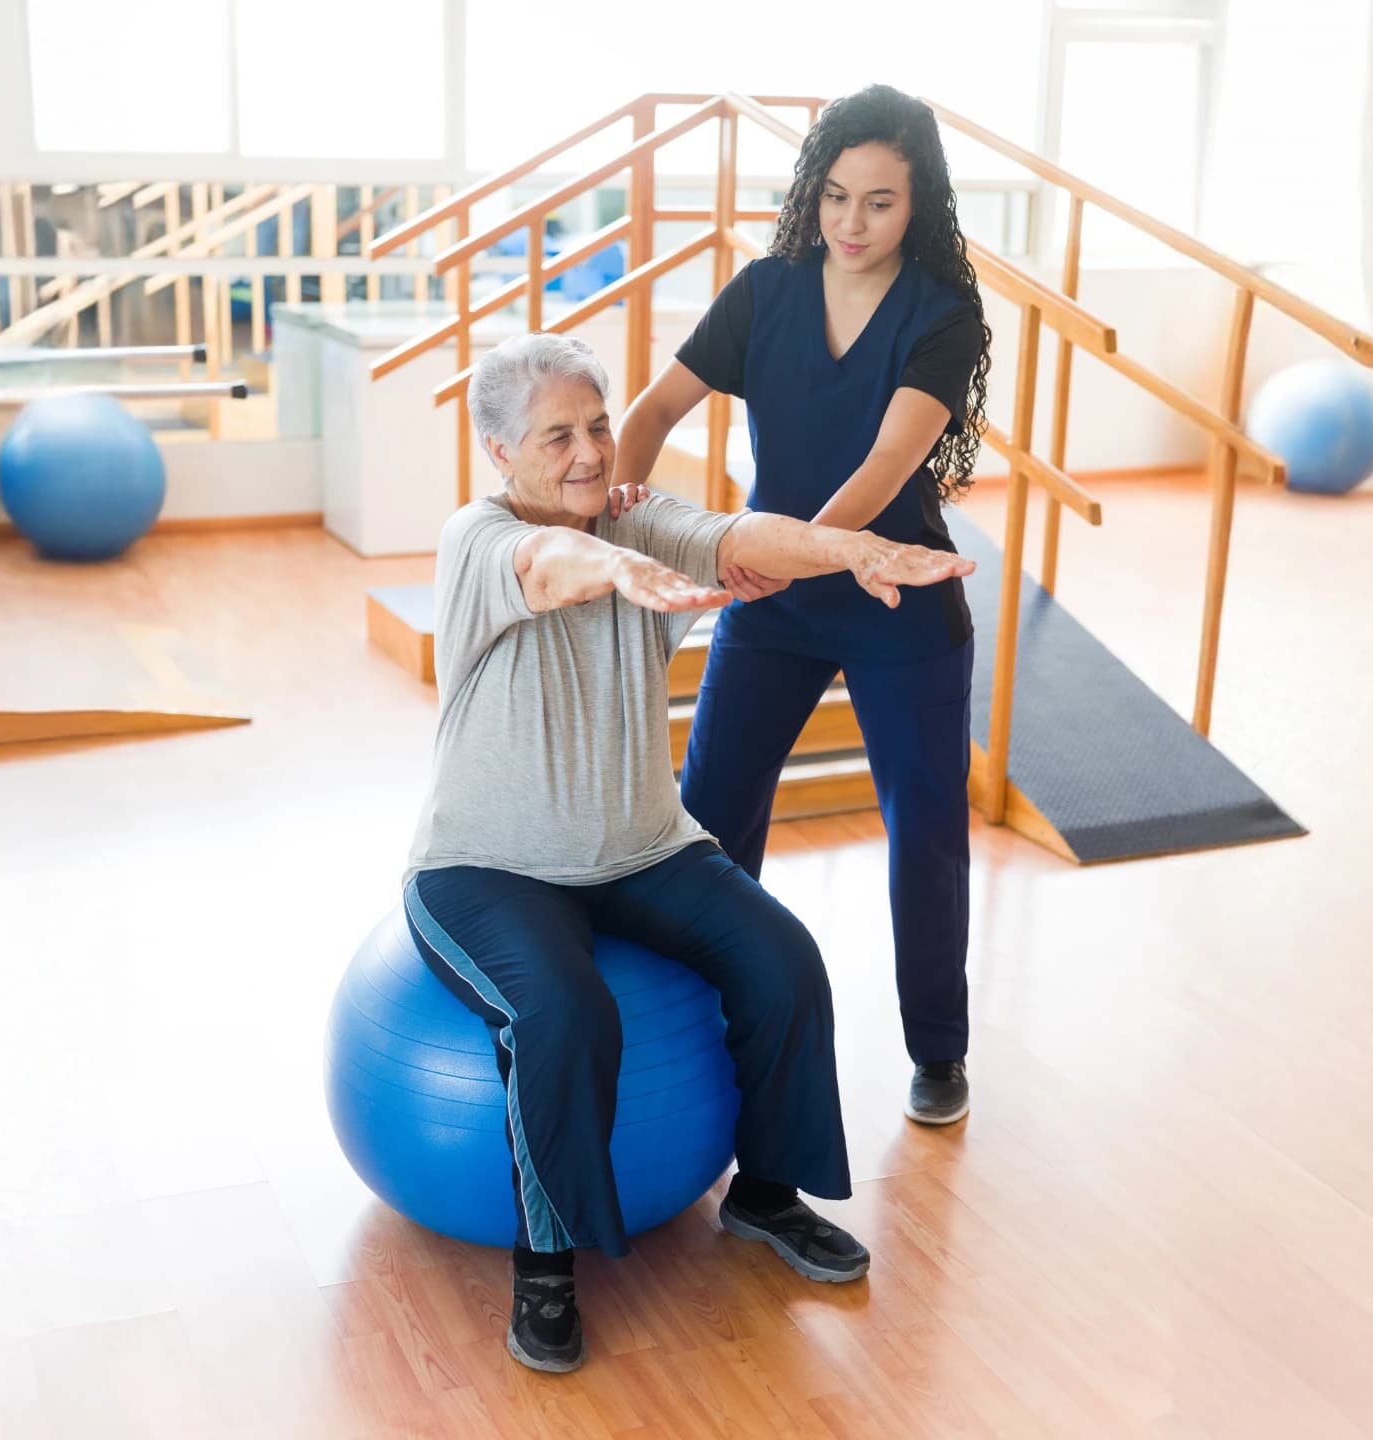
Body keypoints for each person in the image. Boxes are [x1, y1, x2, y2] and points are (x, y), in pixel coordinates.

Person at [403, 331, 975, 1373]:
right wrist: (619, 566)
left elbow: (742, 535)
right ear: (499, 452)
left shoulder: (635, 515)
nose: (589, 452)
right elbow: (550, 565)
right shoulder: (477, 539)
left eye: (597, 425)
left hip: (642, 849)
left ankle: (764, 1195)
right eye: (557, 437)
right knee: (562, 1013)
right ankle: (546, 1265)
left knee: (783, 962)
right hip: (487, 869)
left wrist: (849, 550)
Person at [611, 84, 993, 1127]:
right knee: (710, 811)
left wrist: (785, 555)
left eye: (878, 201)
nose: (850, 222)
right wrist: (614, 525)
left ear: (917, 204)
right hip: (773, 596)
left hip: (894, 596)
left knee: (924, 832)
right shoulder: (766, 290)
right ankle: (701, 1014)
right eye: (834, 195)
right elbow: (653, 409)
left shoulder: (943, 316)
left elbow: (884, 466)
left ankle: (938, 1051)